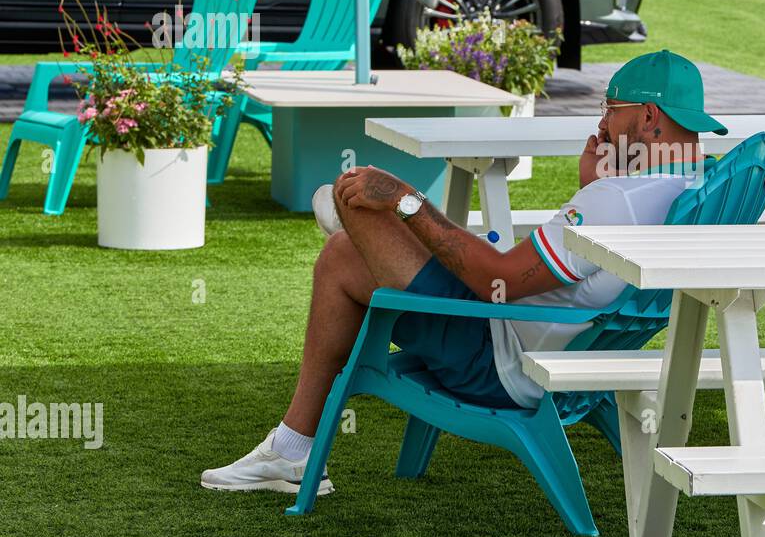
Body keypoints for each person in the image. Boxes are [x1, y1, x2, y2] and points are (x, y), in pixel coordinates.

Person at [200, 50, 727, 494]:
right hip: (577, 353)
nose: (601, 124)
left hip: (499, 359)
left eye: (611, 109)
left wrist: (407, 200)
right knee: (357, 245)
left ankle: (294, 446)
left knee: (346, 249)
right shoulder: (693, 191)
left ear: (651, 118)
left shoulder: (618, 202)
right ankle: (353, 233)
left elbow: (494, 280)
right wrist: (590, 184)